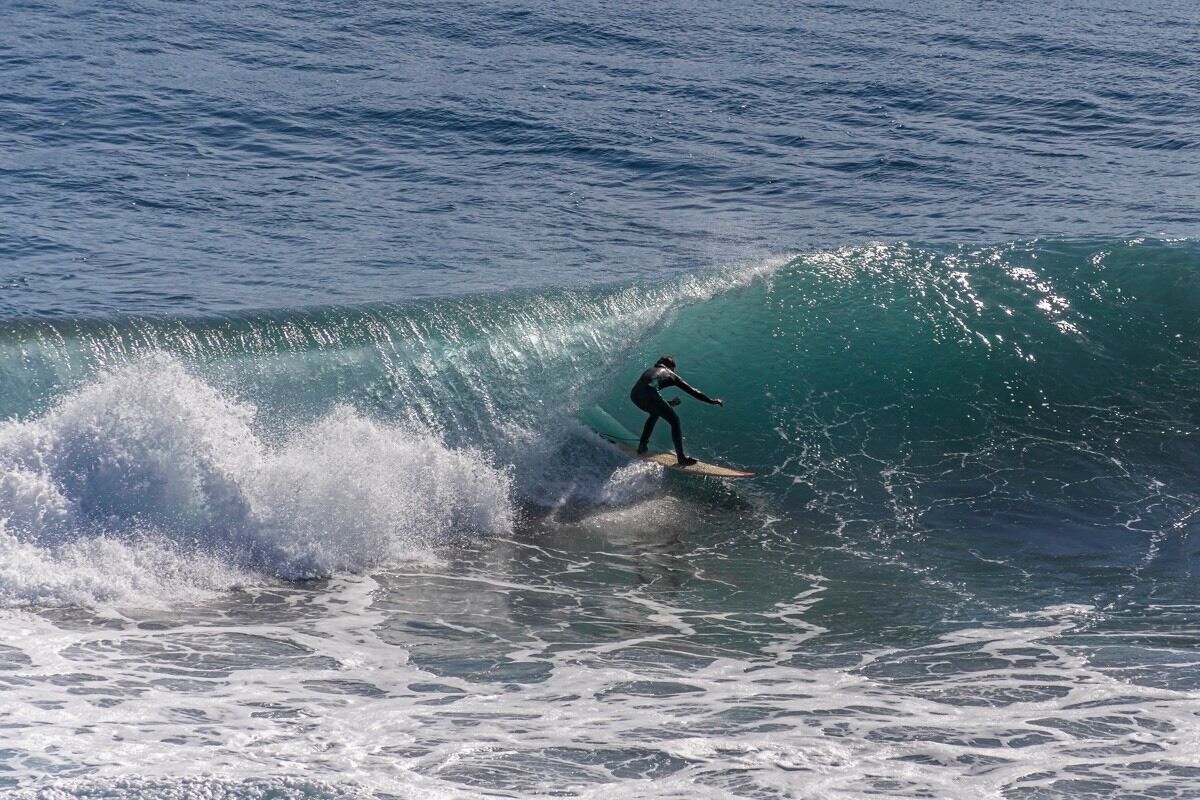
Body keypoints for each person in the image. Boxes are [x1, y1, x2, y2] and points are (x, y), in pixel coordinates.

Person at [629, 355, 724, 466]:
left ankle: (642, 445)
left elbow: (649, 392)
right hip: (650, 395)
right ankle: (681, 458)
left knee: (655, 413)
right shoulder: (670, 374)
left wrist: (669, 404)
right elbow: (693, 391)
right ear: (670, 367)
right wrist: (711, 401)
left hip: (634, 395)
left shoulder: (650, 370)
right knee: (675, 421)